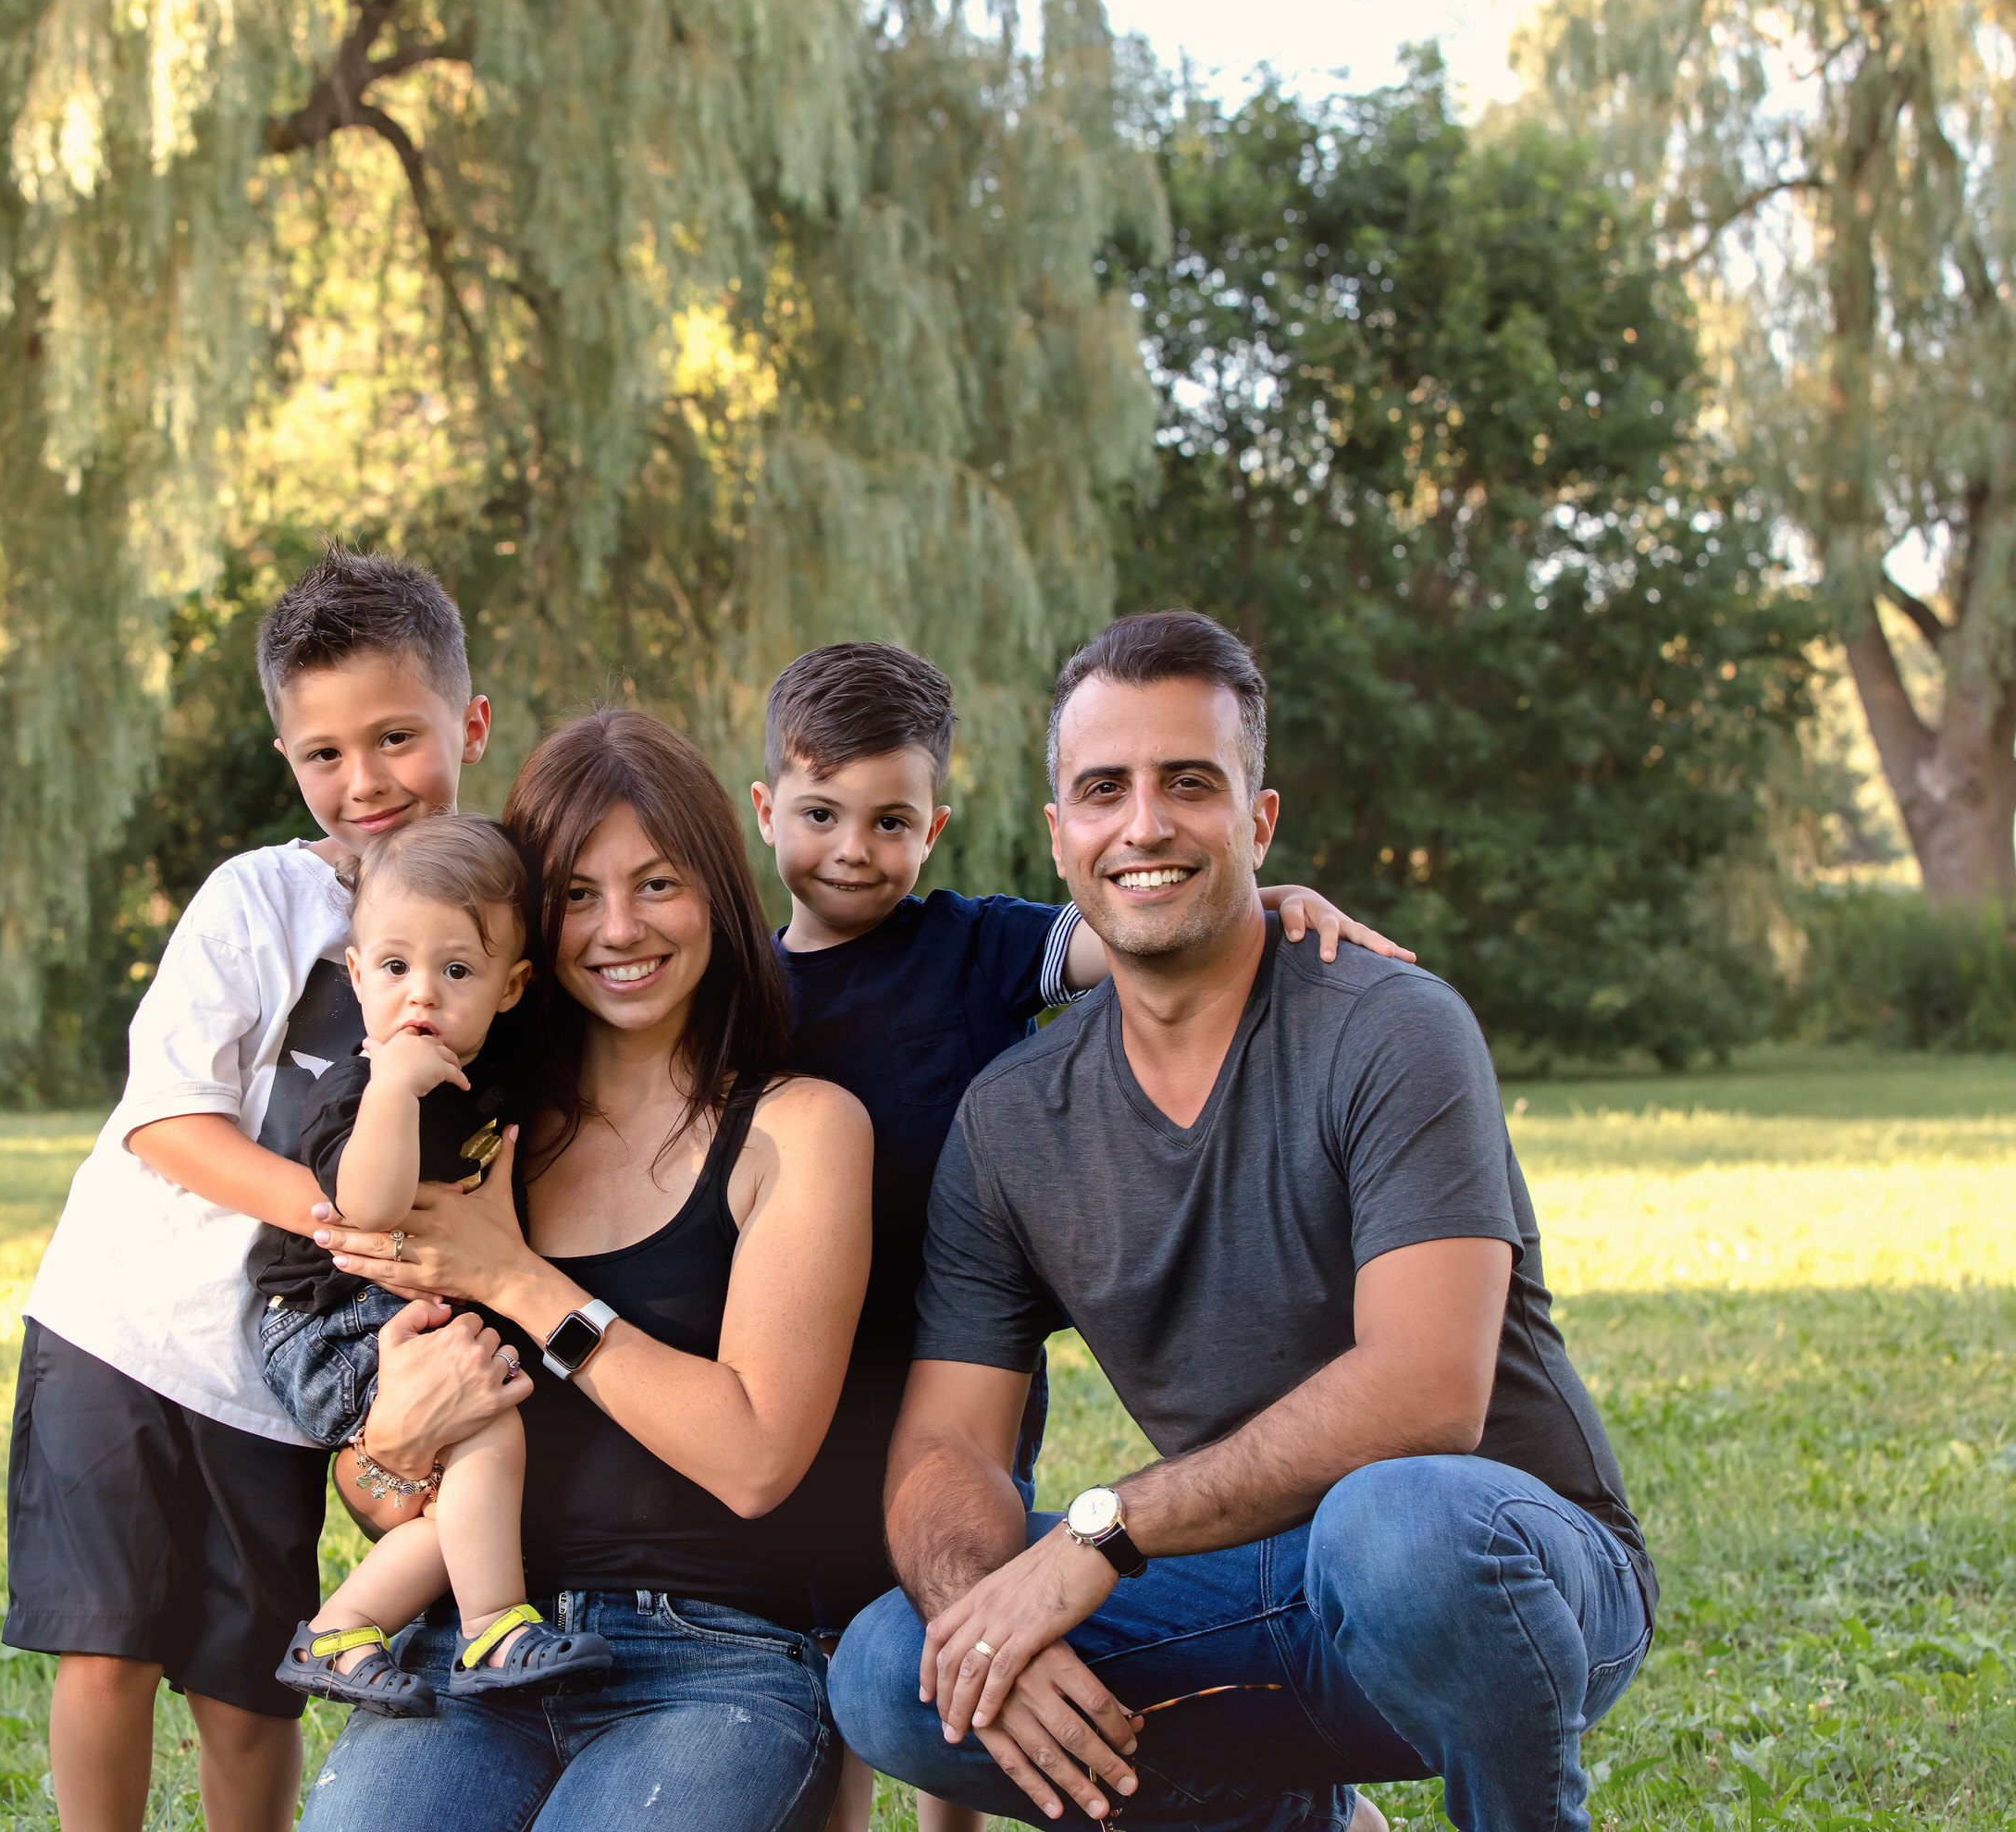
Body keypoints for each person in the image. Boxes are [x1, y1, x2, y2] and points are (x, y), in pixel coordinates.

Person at [827, 611, 1654, 1832]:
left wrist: (1103, 1533)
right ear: (1059, 835)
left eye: (1189, 784)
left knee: (1394, 1525)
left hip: (1505, 1571)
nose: (1143, 825)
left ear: (1258, 823)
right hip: (1248, 1587)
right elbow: (948, 1445)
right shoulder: (1011, 1120)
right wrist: (978, 1610)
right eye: (1103, 789)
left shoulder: (1391, 1027)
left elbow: (1427, 1393)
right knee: (896, 1665)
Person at [748, 642, 1411, 1832]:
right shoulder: (737, 990)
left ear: (935, 826)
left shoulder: (977, 943)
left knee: (969, 1606)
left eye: (890, 820)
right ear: (765, 810)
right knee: (829, 1644)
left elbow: (1154, 915)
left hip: (958, 1359)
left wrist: (1273, 900)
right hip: (805, 1373)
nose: (853, 848)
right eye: (820, 814)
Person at [3, 547, 526, 1832]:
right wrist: (345, 1220)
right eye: (325, 754)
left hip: (278, 1379)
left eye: (396, 738)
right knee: (108, 1652)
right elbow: (166, 1122)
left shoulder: (493, 924)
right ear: (287, 757)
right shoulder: (262, 898)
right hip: (124, 1330)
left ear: (469, 725)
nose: (366, 781)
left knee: (249, 1688)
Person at [293, 709, 874, 1832]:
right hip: (476, 1641)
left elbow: (756, 1458)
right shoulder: (460, 1131)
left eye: (658, 884)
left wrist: (520, 1281)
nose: (619, 928)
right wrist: (393, 1441)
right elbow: (378, 1498)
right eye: (576, 894)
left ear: (716, 893)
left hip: (715, 1659)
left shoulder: (797, 1129)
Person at [253, 813, 615, 1711]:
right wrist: (393, 1088)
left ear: (510, 986)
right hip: (326, 1321)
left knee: (465, 1484)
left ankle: (342, 1629)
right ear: (355, 974)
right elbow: (370, 1207)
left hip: (391, 1307)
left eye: (456, 971)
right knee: (488, 1430)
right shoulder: (361, 1085)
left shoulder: (487, 1067)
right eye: (394, 967)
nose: (421, 993)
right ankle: (493, 1627)